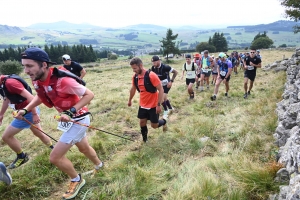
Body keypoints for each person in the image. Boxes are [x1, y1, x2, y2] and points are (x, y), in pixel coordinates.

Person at [15, 47, 103, 200]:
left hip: (79, 120)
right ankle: (99, 166)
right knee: (84, 148)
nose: (26, 70)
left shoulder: (64, 81)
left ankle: (77, 179)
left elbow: (90, 94)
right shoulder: (38, 80)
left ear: (43, 65)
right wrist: (26, 109)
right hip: (70, 120)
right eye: (24, 66)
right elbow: (41, 96)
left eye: (29, 66)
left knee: (55, 158)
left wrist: (70, 111)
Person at [0, 74, 53, 169]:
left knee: (6, 137)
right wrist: (1, 114)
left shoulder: (10, 83)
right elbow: (6, 99)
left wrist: (34, 114)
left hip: (27, 112)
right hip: (27, 111)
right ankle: (53, 149)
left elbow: (31, 98)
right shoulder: (3, 83)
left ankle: (22, 157)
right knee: (38, 132)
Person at [128, 57, 167, 143]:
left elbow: (161, 89)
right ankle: (145, 140)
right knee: (142, 122)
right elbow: (133, 88)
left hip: (153, 105)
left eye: (135, 68)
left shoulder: (151, 75)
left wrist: (158, 105)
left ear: (141, 65)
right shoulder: (135, 77)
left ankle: (164, 122)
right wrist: (130, 100)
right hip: (143, 104)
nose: (133, 70)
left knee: (154, 125)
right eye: (132, 68)